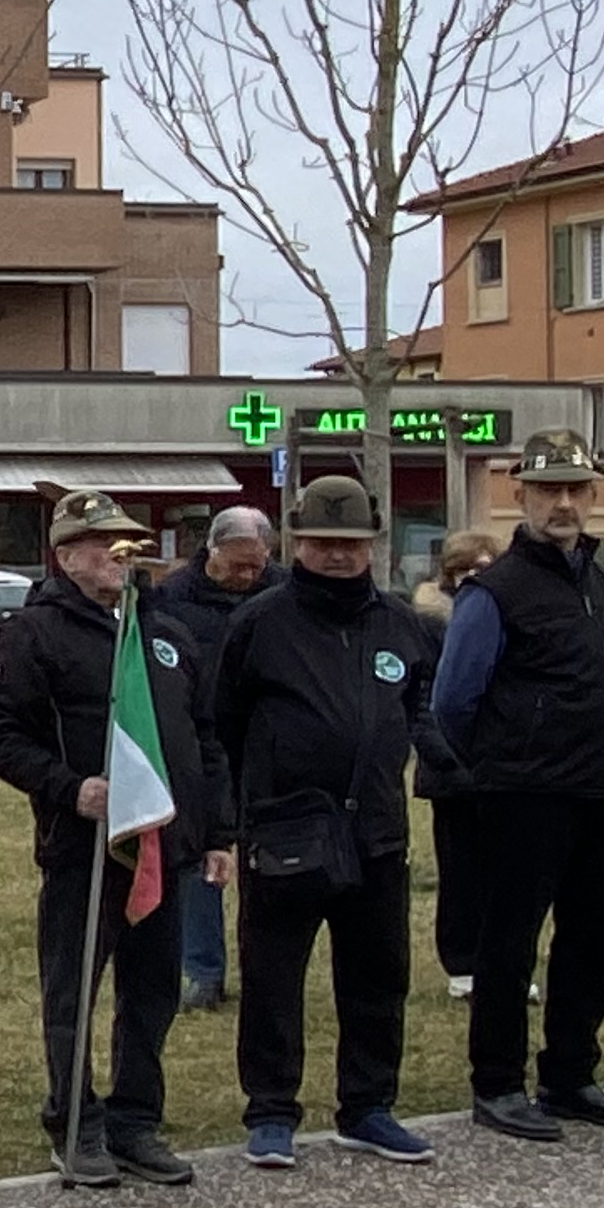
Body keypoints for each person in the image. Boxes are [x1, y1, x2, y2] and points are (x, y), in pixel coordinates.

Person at [0, 489, 235, 1191]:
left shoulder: (165, 633)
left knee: (151, 995)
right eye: (98, 542)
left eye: (124, 540)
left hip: (164, 848)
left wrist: (217, 832)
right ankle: (73, 1123)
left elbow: (202, 739)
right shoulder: (35, 634)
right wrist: (69, 788)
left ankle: (134, 1122)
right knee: (75, 995)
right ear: (65, 556)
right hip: (83, 851)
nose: (117, 553)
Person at [427, 430, 604, 1142]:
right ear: (519, 495)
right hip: (523, 795)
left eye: (576, 489)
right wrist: (503, 764)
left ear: (592, 496)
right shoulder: (493, 592)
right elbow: (453, 701)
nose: (563, 502)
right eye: (547, 490)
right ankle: (496, 1083)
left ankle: (570, 1075)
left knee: (593, 941)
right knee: (509, 942)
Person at [207, 475, 440, 1167]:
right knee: (274, 977)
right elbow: (224, 722)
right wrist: (245, 809)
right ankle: (272, 1111)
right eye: (322, 543)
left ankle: (368, 1107)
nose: (337, 556)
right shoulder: (259, 622)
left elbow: (418, 705)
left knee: (378, 977)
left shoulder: (401, 623)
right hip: (285, 831)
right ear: (297, 542)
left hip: (375, 831)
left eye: (350, 544)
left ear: (372, 543)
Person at [149, 506, 277, 1013]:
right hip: (204, 749)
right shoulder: (173, 600)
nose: (248, 577)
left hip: (267, 749)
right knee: (203, 861)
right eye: (238, 566)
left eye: (257, 567)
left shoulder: (280, 595)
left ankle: (264, 970)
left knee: (266, 869)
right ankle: (203, 971)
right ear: (213, 552)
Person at [413, 527, 497, 1003]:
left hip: (500, 768)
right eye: (464, 571)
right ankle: (461, 961)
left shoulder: (503, 612)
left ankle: (497, 958)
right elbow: (424, 702)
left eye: (483, 570)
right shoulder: (427, 622)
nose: (472, 579)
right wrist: (452, 758)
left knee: (501, 873)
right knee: (460, 874)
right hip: (450, 772)